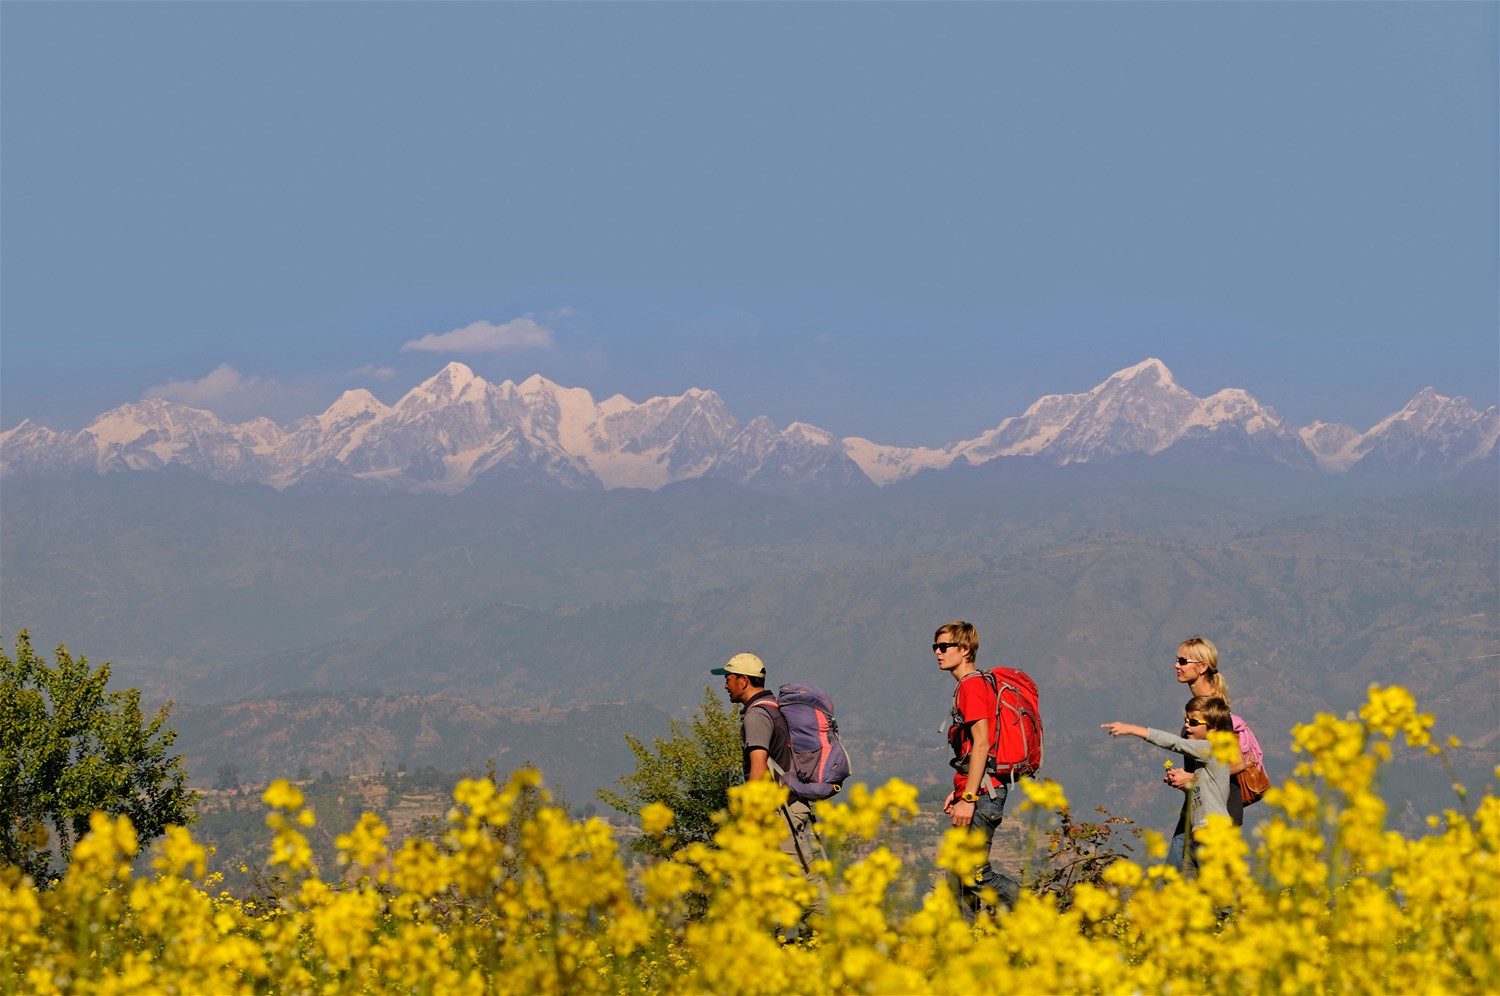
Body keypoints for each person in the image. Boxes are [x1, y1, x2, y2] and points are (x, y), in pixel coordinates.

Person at [710, 652, 827, 922]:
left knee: (806, 884)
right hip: (784, 808)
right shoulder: (772, 708)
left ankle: (846, 934)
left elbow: (759, 766)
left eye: (728, 678)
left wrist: (750, 816)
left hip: (777, 813)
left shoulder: (757, 716)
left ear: (743, 680)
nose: (725, 684)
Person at [934, 620, 1022, 923]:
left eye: (944, 646)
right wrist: (959, 792)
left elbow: (983, 743)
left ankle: (1036, 912)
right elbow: (974, 749)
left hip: (984, 794)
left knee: (973, 874)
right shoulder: (971, 684)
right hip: (978, 788)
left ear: (966, 649)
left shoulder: (971, 685)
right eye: (936, 646)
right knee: (957, 876)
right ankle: (965, 947)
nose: (937, 652)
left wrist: (969, 797)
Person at [1102, 695, 1240, 881]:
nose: (1187, 726)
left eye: (1193, 722)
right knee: (1187, 892)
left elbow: (1176, 743)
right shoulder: (1206, 762)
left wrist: (1132, 729)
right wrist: (1185, 783)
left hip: (1213, 835)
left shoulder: (1211, 749)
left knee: (1219, 898)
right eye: (1186, 720)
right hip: (1198, 836)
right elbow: (1206, 791)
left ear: (1213, 728)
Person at [1166, 636, 1266, 869]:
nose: (1176, 665)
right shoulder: (1200, 708)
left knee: (1208, 890)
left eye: (1182, 660)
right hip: (1195, 811)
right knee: (1175, 882)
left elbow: (1238, 764)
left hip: (1217, 815)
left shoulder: (1216, 712)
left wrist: (1192, 778)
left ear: (1202, 667)